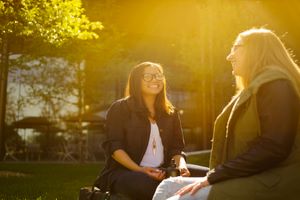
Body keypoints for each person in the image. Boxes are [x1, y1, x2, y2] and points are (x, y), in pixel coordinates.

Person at [153, 28, 300, 200]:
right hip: (248, 176)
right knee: (168, 186)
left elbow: (273, 147)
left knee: (178, 199)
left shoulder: (277, 85)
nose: (229, 56)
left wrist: (216, 176)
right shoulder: (256, 87)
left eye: (236, 47)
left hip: (273, 182)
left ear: (256, 50)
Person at [94, 62, 192, 200]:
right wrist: (141, 170)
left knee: (206, 178)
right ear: (136, 81)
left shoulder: (171, 112)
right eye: (148, 76)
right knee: (156, 187)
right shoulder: (120, 108)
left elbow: (176, 149)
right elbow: (115, 148)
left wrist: (181, 167)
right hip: (126, 173)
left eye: (158, 75)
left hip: (164, 170)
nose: (155, 79)